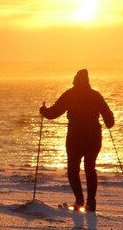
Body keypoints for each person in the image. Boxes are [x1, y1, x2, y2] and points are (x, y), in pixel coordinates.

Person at [39, 69, 115, 212]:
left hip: (75, 137)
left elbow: (53, 113)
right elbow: (109, 121)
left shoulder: (70, 94)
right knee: (90, 169)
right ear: (87, 81)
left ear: (75, 80)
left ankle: (79, 201)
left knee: (73, 169)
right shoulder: (95, 95)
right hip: (93, 137)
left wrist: (43, 110)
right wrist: (108, 121)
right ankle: (91, 203)